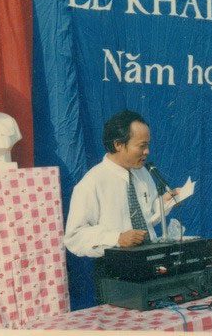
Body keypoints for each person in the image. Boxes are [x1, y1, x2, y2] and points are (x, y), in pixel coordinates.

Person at [64, 110, 179, 258]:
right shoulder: (92, 182)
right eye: (142, 146)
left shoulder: (143, 173)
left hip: (150, 258)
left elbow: (147, 217)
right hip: (115, 270)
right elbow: (74, 236)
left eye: (148, 145)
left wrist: (164, 203)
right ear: (118, 144)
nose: (147, 151)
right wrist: (117, 238)